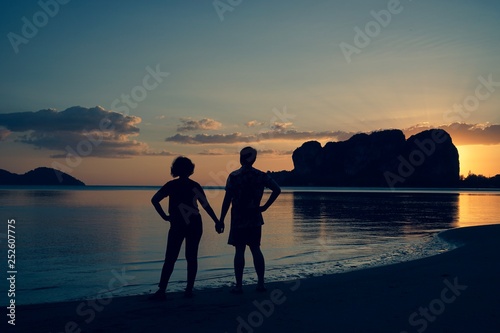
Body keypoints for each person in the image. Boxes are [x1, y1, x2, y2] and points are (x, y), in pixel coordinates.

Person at [149, 156, 224, 300]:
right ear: (190, 170)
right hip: (194, 223)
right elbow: (205, 205)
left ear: (175, 169)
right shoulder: (194, 185)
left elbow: (154, 200)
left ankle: (162, 290)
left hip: (177, 224)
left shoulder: (171, 185)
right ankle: (189, 290)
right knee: (191, 257)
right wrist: (217, 221)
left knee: (170, 258)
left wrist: (165, 216)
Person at [219, 147, 281, 294]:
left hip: (239, 218)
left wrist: (221, 219)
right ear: (254, 159)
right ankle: (260, 284)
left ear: (241, 158)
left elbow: (227, 199)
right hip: (254, 217)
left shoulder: (234, 176)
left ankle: (239, 286)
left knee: (239, 250)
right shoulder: (260, 176)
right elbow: (277, 189)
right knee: (255, 249)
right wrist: (264, 206)